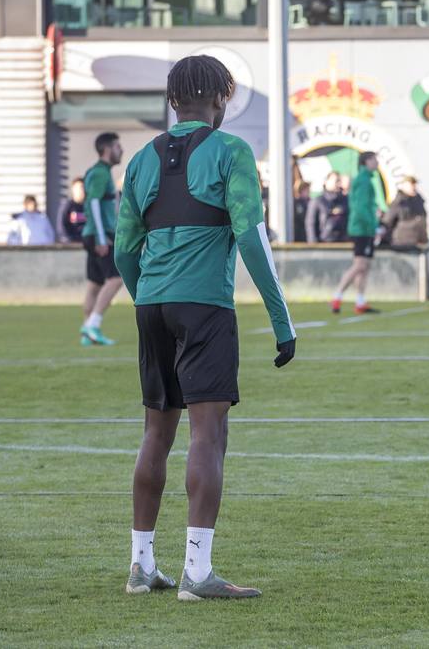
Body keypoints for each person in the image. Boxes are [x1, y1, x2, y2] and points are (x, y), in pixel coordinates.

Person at [114, 54, 296, 600]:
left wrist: (147, 297)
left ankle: (141, 566)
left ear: (174, 101)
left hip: (153, 306)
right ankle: (197, 572)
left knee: (156, 433)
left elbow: (125, 250)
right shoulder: (232, 151)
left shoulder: (142, 159)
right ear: (223, 98)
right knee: (208, 435)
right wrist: (281, 320)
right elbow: (250, 237)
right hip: (205, 308)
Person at [79, 132, 125, 346]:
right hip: (101, 235)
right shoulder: (100, 173)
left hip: (93, 234)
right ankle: (93, 326)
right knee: (116, 279)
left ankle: (87, 333)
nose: (121, 150)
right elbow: (94, 203)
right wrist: (100, 237)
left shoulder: (99, 172)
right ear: (107, 149)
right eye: (117, 146)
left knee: (94, 285)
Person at [331, 152, 382, 314]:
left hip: (363, 227)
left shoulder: (365, 179)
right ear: (366, 161)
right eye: (374, 159)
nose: (377, 162)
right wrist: (373, 226)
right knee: (359, 265)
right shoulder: (363, 181)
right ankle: (337, 295)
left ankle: (360, 301)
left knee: (364, 266)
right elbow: (361, 208)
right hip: (362, 228)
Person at [381, 176, 429, 251]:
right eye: (411, 184)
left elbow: (423, 220)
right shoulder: (399, 202)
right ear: (404, 185)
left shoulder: (419, 200)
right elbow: (387, 221)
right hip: (401, 243)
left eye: (414, 184)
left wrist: (424, 239)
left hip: (418, 243)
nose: (413, 186)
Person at [305, 172, 348, 243]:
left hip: (343, 242)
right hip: (324, 242)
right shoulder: (317, 201)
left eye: (339, 181)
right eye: (336, 181)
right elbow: (310, 223)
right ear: (326, 182)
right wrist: (313, 243)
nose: (338, 184)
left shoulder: (345, 200)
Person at [56, 178, 87, 243]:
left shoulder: (89, 206)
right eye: (79, 188)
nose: (81, 190)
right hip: (72, 245)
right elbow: (61, 227)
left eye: (83, 188)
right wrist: (69, 241)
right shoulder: (67, 206)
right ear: (73, 190)